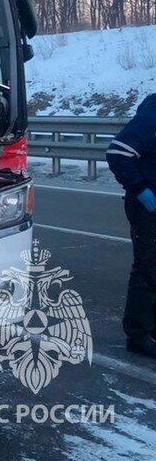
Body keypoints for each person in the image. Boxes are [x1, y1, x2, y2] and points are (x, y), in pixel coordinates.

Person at [107, 95, 156, 358]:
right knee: (149, 268)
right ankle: (139, 335)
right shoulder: (152, 117)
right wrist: (140, 189)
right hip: (147, 207)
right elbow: (118, 153)